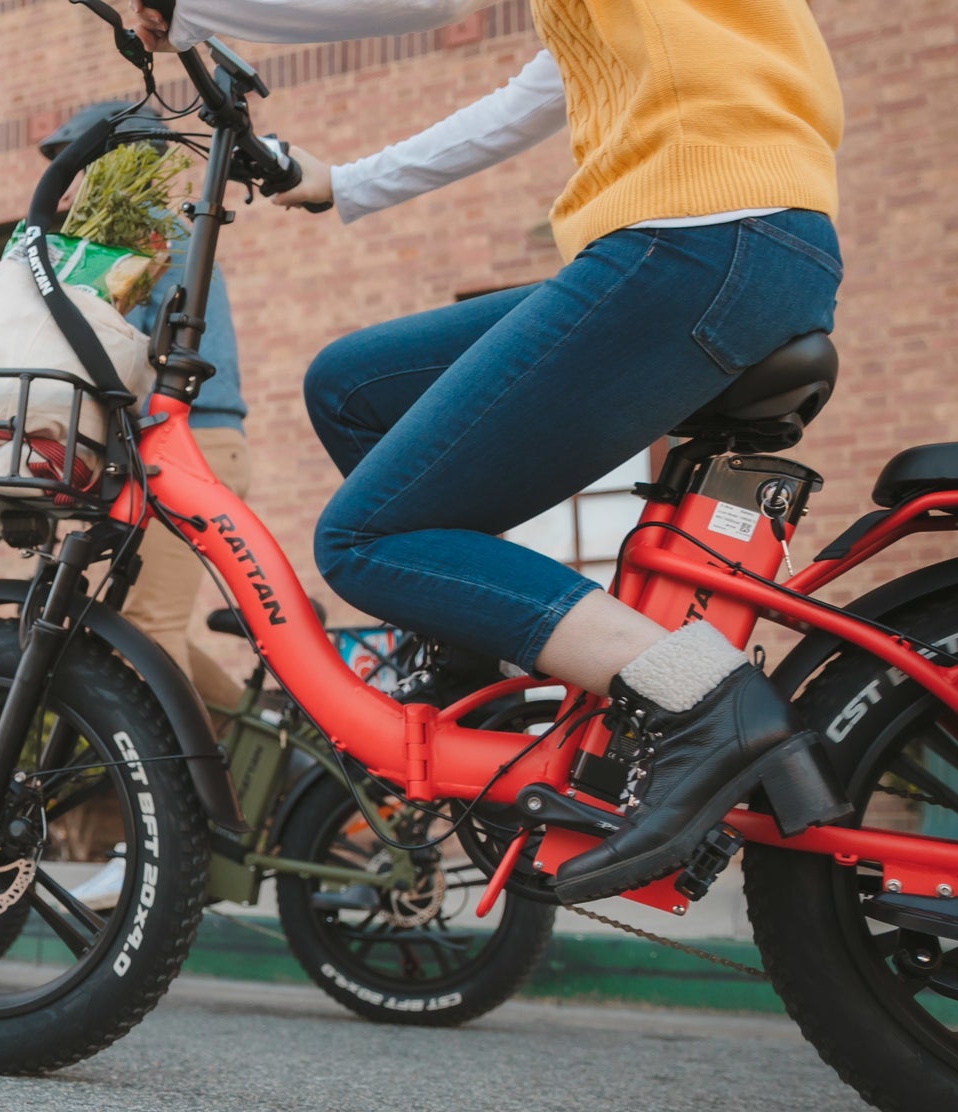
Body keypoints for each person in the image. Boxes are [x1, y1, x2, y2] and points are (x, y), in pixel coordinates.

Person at [130, 0, 849, 902]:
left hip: (697, 240)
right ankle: (480, 670)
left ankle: (707, 699)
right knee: (352, 385)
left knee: (363, 542)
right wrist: (349, 183)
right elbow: (532, 95)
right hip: (739, 245)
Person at [39, 103, 255, 717]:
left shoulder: (144, 236)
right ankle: (276, 756)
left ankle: (203, 811)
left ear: (119, 160)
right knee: (142, 628)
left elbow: (107, 353)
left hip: (188, 448)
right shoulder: (164, 231)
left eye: (75, 165)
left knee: (149, 631)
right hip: (188, 444)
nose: (68, 186)